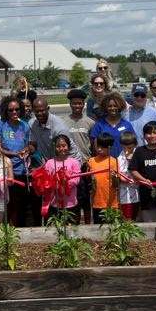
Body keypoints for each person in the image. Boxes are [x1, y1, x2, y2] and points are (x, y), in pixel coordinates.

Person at [0, 98, 34, 228]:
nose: (14, 112)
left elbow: (28, 144)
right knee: (8, 205)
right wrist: (14, 155)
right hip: (5, 170)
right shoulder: (0, 124)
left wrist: (27, 151)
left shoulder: (24, 125)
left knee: (21, 205)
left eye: (17, 109)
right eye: (11, 110)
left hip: (21, 170)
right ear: (6, 110)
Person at [129, 121, 156, 223]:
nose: (152, 136)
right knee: (149, 225)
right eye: (149, 133)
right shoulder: (139, 151)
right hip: (147, 195)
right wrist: (144, 180)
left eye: (155, 133)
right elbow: (133, 170)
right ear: (144, 136)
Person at [64, 89, 95, 224]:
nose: (77, 106)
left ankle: (87, 223)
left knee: (86, 196)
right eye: (75, 103)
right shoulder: (63, 122)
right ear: (70, 104)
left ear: (84, 105)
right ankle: (74, 223)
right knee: (72, 196)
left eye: (80, 103)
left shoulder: (90, 122)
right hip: (69, 165)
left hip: (85, 164)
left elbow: (93, 145)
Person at [28, 97, 80, 162]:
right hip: (52, 161)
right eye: (36, 111)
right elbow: (33, 146)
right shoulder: (32, 123)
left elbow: (63, 151)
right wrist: (26, 151)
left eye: (42, 110)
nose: (39, 114)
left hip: (69, 160)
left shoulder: (60, 127)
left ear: (48, 109)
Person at [43, 135, 80, 221]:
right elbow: (46, 181)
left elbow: (77, 180)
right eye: (58, 146)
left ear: (69, 147)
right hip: (54, 203)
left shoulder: (74, 162)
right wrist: (53, 183)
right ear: (54, 148)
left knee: (71, 228)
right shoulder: (49, 163)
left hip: (70, 203)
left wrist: (65, 182)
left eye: (64, 145)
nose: (61, 148)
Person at [89, 92, 134, 158]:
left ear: (119, 106)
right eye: (110, 106)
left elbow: (133, 145)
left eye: (115, 106)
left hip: (124, 163)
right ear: (105, 107)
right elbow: (95, 147)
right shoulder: (99, 124)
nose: (112, 108)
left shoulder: (127, 125)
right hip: (105, 163)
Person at [88, 133, 119, 223]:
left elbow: (116, 184)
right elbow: (89, 182)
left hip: (111, 203)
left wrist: (114, 176)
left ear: (110, 148)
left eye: (103, 147)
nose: (99, 149)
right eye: (98, 146)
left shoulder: (114, 161)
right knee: (98, 229)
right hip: (97, 202)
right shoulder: (91, 161)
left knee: (112, 228)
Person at [117, 131, 140, 221]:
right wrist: (120, 176)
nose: (126, 150)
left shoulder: (138, 154)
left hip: (137, 191)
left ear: (135, 145)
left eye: (129, 148)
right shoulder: (119, 158)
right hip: (124, 193)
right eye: (124, 147)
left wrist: (131, 161)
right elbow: (119, 174)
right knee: (126, 216)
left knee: (136, 216)